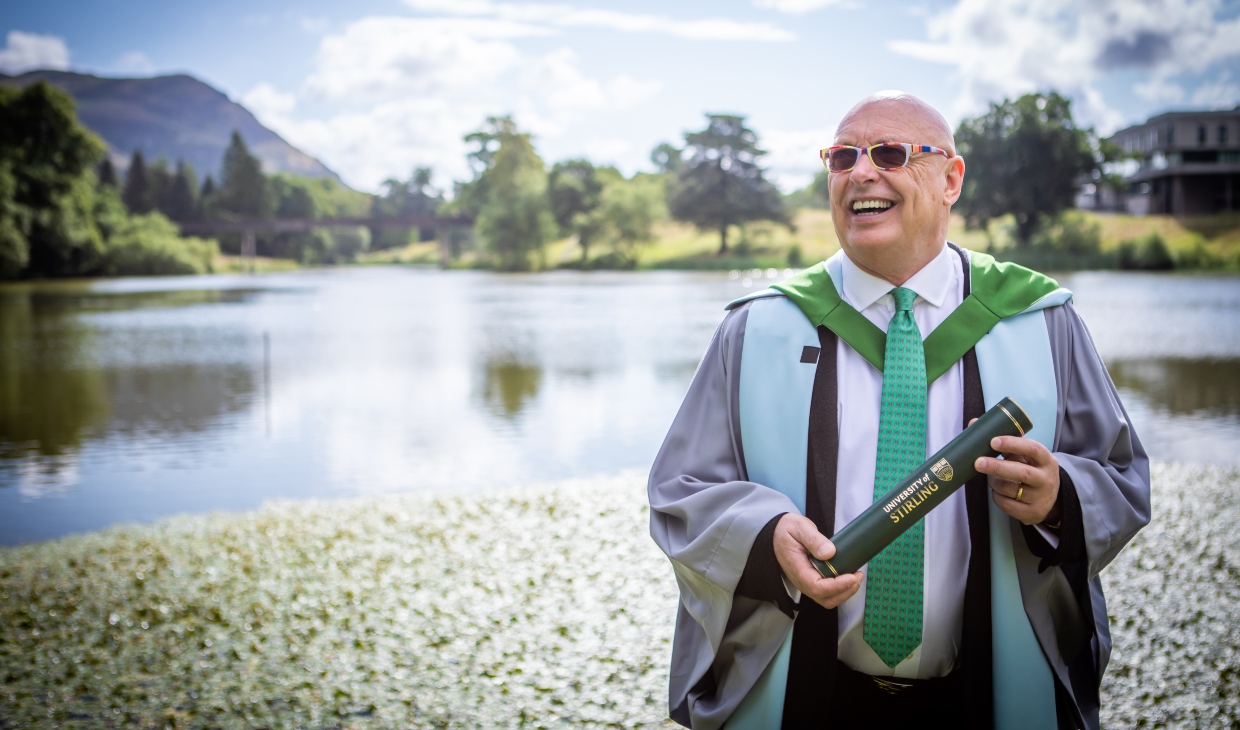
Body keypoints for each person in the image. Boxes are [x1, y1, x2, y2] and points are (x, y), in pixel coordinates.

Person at [648, 91, 1150, 730]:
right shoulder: (757, 329)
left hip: (987, 694)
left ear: (951, 179)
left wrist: (1059, 497)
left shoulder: (1042, 322)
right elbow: (680, 489)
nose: (861, 172)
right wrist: (764, 533)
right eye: (842, 157)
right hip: (805, 692)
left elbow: (1122, 477)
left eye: (889, 153)